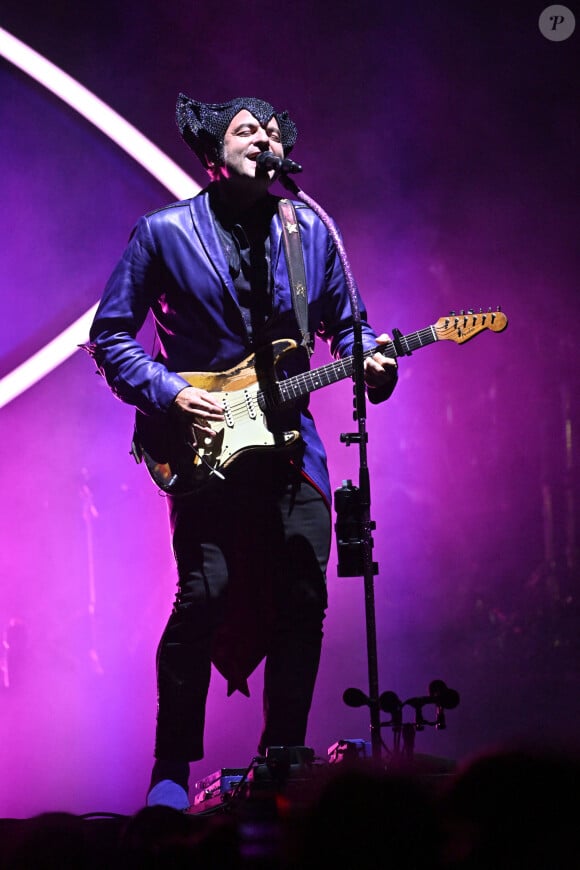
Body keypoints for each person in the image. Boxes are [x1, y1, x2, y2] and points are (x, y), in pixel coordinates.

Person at [84, 94, 398, 811]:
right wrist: (167, 391)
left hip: (292, 446)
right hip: (205, 444)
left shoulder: (311, 229)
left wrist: (371, 359)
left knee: (303, 591)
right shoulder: (163, 234)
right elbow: (111, 336)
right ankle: (169, 771)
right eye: (245, 129)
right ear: (211, 155)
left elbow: (349, 325)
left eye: (272, 130)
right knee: (206, 594)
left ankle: (280, 756)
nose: (264, 136)